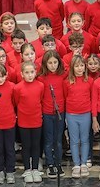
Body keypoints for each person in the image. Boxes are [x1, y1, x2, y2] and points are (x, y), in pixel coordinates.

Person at [13, 61, 44, 183]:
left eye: (32, 72)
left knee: (36, 145)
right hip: (24, 121)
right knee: (26, 145)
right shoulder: (18, 87)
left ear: (35, 72)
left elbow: (40, 99)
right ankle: (27, 169)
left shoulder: (40, 86)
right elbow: (16, 101)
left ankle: (35, 168)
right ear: (22, 74)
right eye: (27, 72)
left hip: (36, 120)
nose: (30, 75)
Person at [38, 50, 67, 178]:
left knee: (58, 139)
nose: (53, 65)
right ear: (45, 64)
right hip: (47, 113)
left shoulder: (63, 75)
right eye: (50, 63)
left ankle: (58, 163)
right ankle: (50, 164)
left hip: (60, 112)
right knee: (49, 139)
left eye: (55, 62)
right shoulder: (41, 78)